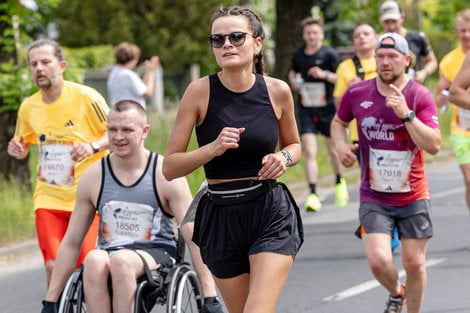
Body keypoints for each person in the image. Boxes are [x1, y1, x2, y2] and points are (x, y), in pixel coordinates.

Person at [162, 6, 303, 313]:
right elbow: (170, 166)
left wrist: (283, 157)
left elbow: (295, 145)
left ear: (257, 43)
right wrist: (211, 149)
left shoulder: (277, 91)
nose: (227, 44)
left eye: (237, 37)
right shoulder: (199, 92)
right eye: (218, 39)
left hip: (269, 211)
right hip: (221, 216)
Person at [40, 100, 223, 313]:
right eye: (112, 130)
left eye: (127, 129)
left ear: (145, 131)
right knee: (93, 259)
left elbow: (194, 237)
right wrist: (51, 300)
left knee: (122, 261)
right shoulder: (93, 177)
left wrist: (210, 295)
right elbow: (72, 242)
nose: (118, 137)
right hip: (110, 251)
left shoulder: (164, 175)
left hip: (155, 253)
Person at [331, 33, 441, 313]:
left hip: (413, 195)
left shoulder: (419, 95)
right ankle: (396, 291)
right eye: (380, 56)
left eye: (392, 56)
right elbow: (338, 122)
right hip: (374, 196)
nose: (384, 62)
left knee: (414, 264)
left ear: (406, 60)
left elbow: (434, 145)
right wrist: (341, 145)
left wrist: (407, 115)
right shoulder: (357, 93)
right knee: (379, 261)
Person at [7, 39, 109, 283]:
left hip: (88, 198)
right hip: (48, 198)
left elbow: (119, 132)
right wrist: (18, 150)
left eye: (45, 62)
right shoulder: (28, 107)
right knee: (54, 265)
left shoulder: (86, 97)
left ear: (61, 65)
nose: (39, 68)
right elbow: (23, 146)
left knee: (91, 266)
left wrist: (92, 146)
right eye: (33, 64)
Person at [289, 17, 349, 212]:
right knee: (309, 150)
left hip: (329, 109)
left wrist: (324, 75)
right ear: (304, 35)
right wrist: (295, 82)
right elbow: (293, 73)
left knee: (333, 150)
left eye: (315, 32)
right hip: (307, 107)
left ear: (321, 34)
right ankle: (313, 193)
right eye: (308, 33)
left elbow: (340, 79)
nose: (312, 36)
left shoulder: (329, 54)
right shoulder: (298, 54)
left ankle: (340, 182)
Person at [436, 9, 470, 210]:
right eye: (463, 30)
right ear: (456, 31)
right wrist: (441, 99)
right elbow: (444, 96)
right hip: (462, 129)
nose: (467, 35)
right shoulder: (448, 61)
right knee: (469, 180)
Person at [333, 23, 378, 164]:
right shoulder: (345, 67)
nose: (361, 37)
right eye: (357, 35)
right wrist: (350, 92)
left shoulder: (385, 61)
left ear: (376, 39)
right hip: (359, 132)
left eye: (366, 34)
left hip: (388, 128)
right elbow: (338, 104)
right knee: (367, 177)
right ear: (354, 42)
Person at [379, 0, 437, 83]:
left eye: (394, 21)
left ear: (402, 17)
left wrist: (424, 73)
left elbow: (432, 61)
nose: (391, 26)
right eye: (387, 22)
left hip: (413, 88)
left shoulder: (417, 38)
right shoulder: (378, 41)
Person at [107, 42, 160, 108]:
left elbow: (143, 88)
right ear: (133, 59)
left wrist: (148, 71)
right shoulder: (128, 75)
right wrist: (151, 71)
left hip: (117, 112)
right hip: (131, 114)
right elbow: (147, 93)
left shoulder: (114, 72)